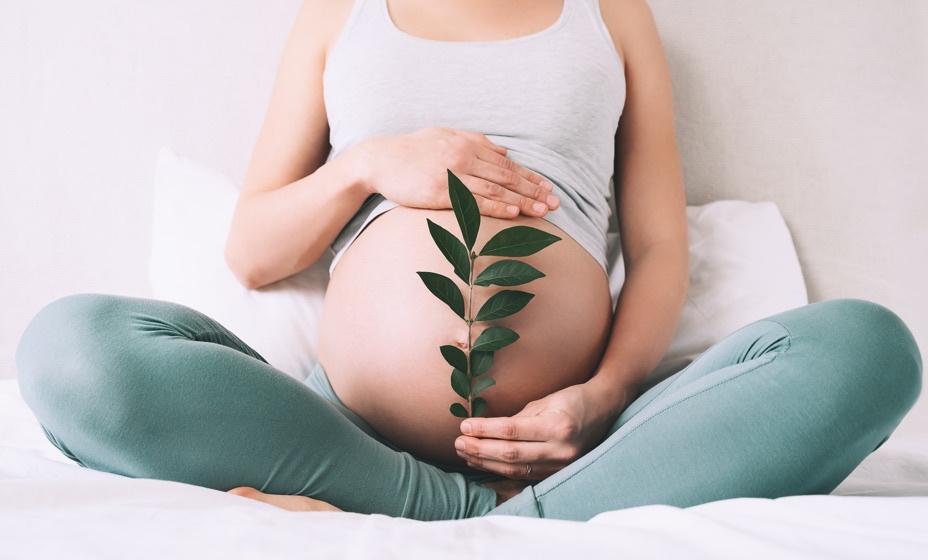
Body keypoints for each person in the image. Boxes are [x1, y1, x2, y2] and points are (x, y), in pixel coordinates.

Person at [16, 0, 922, 521]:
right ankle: (462, 514)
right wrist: (370, 164)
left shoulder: (613, 12)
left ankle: (524, 510)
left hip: (582, 444)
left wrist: (600, 399)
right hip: (347, 437)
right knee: (68, 349)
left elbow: (655, 248)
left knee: (869, 347)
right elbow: (252, 252)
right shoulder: (342, 12)